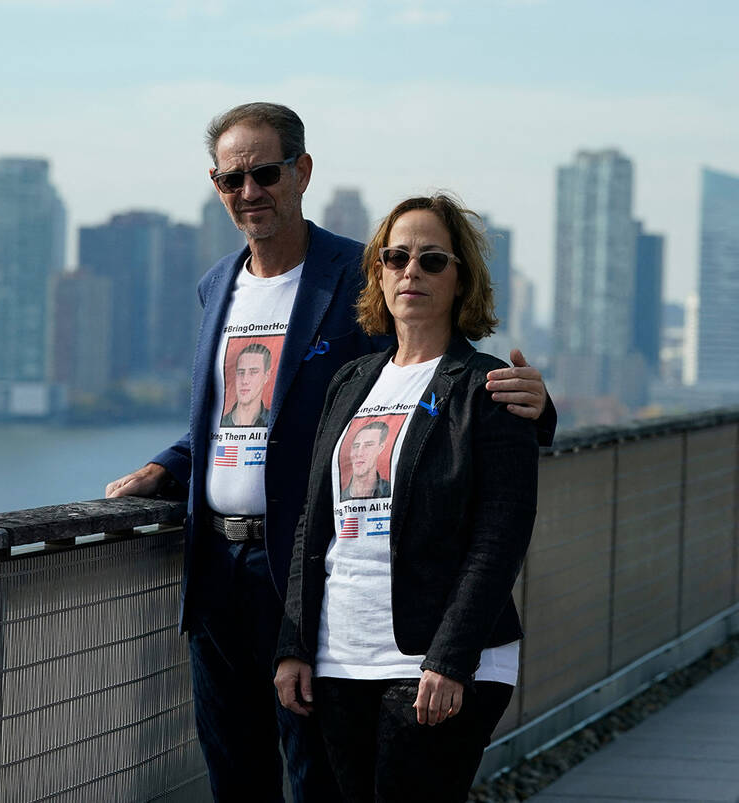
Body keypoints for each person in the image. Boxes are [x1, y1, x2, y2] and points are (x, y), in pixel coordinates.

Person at [105, 103, 554, 802]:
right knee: (234, 771)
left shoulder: (356, 271)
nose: (249, 190)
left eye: (265, 172)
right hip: (219, 569)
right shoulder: (217, 284)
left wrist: (537, 407)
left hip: (311, 580)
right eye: (231, 179)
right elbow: (228, 417)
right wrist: (168, 466)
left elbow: (438, 384)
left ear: (302, 171)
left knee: (316, 779)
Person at [274, 194, 538, 802]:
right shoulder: (350, 381)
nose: (410, 271)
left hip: (432, 660)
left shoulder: (486, 387)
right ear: (379, 274)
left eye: (432, 259)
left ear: (461, 278)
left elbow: (501, 536)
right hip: (340, 656)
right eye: (395, 258)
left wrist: (451, 658)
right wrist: (293, 646)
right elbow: (314, 526)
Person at [220, 342, 272, 426]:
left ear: (266, 376)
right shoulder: (218, 424)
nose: (244, 381)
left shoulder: (275, 424)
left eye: (253, 372)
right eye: (241, 372)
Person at [340, 420, 391, 500]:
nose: (359, 453)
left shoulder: (392, 492)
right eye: (356, 446)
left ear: (380, 448)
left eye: (368, 445)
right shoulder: (337, 497)